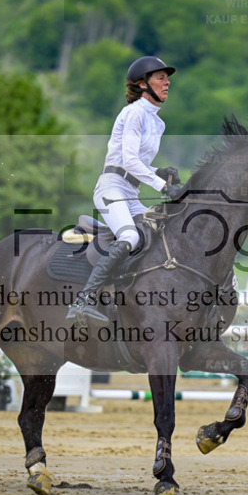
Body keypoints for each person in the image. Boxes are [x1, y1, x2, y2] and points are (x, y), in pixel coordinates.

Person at [66, 56, 183, 328]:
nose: (167, 83)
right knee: (130, 235)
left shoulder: (158, 123)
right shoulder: (134, 113)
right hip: (111, 187)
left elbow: (139, 163)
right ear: (143, 85)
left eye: (167, 78)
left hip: (130, 192)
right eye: (160, 78)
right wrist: (162, 185)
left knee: (157, 234)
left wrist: (159, 171)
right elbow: (129, 162)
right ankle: (84, 301)